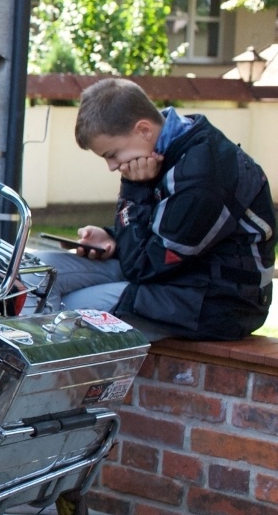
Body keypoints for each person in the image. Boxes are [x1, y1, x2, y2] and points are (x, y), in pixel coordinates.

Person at [37, 78, 275, 341]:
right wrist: (112, 237)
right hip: (176, 278)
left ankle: (49, 371)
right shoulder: (170, 146)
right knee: (37, 273)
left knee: (67, 310)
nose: (112, 166)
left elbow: (144, 266)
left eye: (111, 154)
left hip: (218, 303)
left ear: (144, 129)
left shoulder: (201, 175)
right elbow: (161, 235)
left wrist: (133, 190)